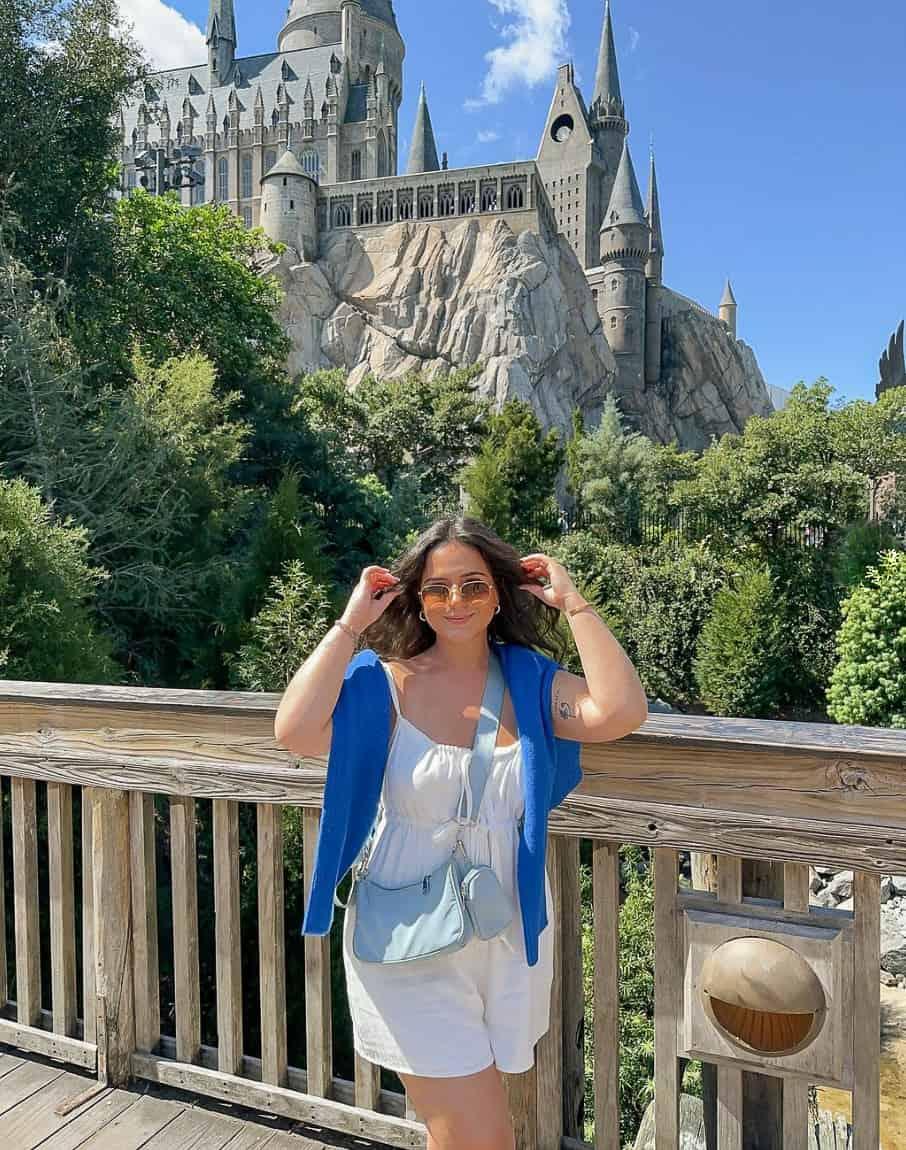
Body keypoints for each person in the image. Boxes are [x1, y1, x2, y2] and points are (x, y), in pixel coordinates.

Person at [274, 517, 647, 1150]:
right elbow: (296, 729)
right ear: (416, 597)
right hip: (407, 932)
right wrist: (350, 625)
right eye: (438, 588)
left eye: (473, 586)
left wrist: (574, 603)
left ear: (499, 594)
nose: (456, 603)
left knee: (461, 1133)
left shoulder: (529, 681)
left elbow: (619, 711)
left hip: (501, 929)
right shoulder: (384, 682)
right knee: (481, 1139)